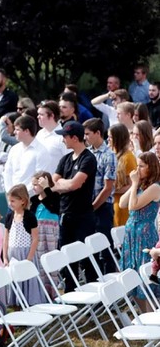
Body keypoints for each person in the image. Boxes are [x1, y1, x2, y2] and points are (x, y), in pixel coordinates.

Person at [52, 121, 98, 293]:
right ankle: (70, 291)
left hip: (83, 216)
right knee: (66, 255)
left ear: (74, 138)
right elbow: (54, 181)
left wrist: (63, 184)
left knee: (85, 256)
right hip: (66, 214)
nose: (63, 139)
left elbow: (75, 185)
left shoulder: (88, 158)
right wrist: (64, 183)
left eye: (65, 136)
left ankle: (94, 292)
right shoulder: (65, 159)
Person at [120, 152, 160, 310]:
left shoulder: (155, 187)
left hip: (144, 234)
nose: (137, 169)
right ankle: (142, 313)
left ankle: (151, 314)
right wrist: (134, 184)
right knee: (132, 273)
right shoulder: (140, 184)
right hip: (132, 234)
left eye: (141, 166)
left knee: (146, 277)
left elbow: (133, 206)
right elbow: (123, 203)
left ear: (151, 167)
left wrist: (135, 184)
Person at [83, 118, 117, 273]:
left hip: (103, 207)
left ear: (98, 133)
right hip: (89, 206)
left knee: (105, 248)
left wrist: (93, 207)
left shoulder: (109, 155)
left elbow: (108, 188)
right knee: (91, 248)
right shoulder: (88, 153)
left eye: (88, 134)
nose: (86, 137)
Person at [29, 172, 61, 293]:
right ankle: (41, 291)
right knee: (39, 261)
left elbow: (53, 207)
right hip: (38, 234)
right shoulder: (33, 200)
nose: (33, 187)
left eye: (36, 185)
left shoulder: (54, 196)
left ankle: (53, 290)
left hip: (50, 233)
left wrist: (47, 188)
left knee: (51, 260)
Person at [4, 115, 52, 193]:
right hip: (13, 197)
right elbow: (7, 172)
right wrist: (10, 191)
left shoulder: (41, 151)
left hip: (32, 198)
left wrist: (22, 194)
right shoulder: (14, 149)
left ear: (26, 131)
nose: (14, 132)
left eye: (17, 130)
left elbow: (40, 178)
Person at [109, 123, 136, 226]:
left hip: (122, 205)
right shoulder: (112, 154)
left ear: (118, 138)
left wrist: (111, 189)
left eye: (111, 137)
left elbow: (133, 184)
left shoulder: (128, 157)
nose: (108, 139)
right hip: (112, 203)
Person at [36, 100, 69, 175]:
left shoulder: (63, 137)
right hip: (37, 183)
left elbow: (69, 163)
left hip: (55, 184)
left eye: (41, 114)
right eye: (38, 114)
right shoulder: (39, 134)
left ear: (51, 116)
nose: (38, 117)